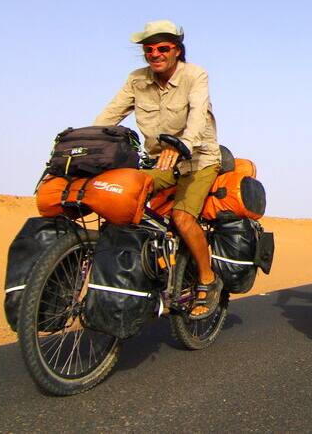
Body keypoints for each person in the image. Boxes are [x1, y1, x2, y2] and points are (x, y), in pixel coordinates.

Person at [93, 20, 223, 319]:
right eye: (148, 49)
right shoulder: (137, 79)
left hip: (199, 160)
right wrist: (88, 142)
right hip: (160, 162)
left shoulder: (195, 75)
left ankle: (207, 279)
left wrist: (182, 144)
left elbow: (198, 116)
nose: (155, 54)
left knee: (182, 218)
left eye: (163, 48)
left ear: (176, 50)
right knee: (121, 194)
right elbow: (110, 114)